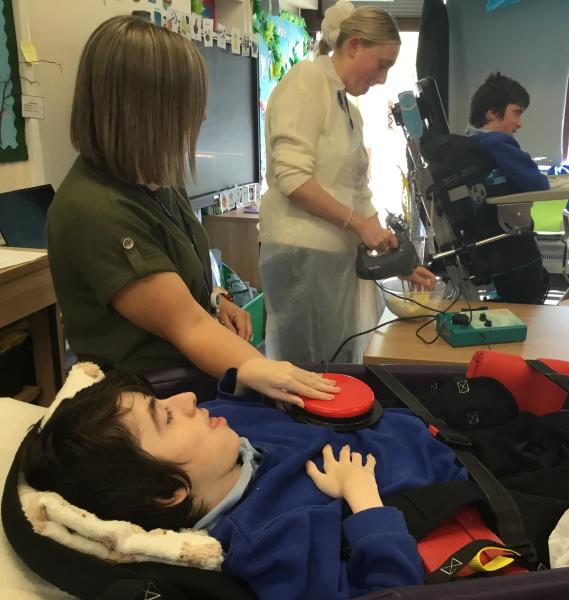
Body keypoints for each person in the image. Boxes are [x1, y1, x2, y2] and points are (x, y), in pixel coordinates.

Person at [47, 16, 334, 403]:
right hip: (148, 401)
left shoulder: (155, 178)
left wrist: (217, 300)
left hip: (191, 378)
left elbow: (181, 274)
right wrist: (272, 374)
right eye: (189, 105)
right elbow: (189, 326)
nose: (201, 117)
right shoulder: (95, 210)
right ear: (144, 111)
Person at [21, 361, 467, 599]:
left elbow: (235, 406)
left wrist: (245, 379)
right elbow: (387, 591)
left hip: (424, 417)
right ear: (170, 491)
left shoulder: (217, 433)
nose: (188, 398)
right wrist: (365, 501)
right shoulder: (272, 537)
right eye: (167, 417)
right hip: (465, 474)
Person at [259, 0, 435, 364]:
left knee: (339, 367)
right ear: (354, 46)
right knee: (308, 373)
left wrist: (397, 261)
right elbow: (293, 179)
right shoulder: (306, 83)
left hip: (334, 259)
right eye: (382, 64)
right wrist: (358, 224)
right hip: (301, 256)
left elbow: (356, 190)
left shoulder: (348, 108)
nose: (383, 78)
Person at [458, 72, 550, 303]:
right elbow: (539, 184)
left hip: (489, 248)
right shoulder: (498, 142)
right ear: (491, 113)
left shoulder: (470, 142)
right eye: (516, 112)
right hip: (514, 250)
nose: (520, 123)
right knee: (530, 306)